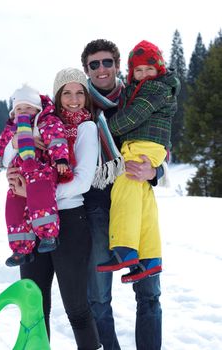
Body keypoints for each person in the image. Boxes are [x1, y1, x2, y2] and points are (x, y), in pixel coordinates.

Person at [6, 68, 103, 349]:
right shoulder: (40, 122)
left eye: (80, 93)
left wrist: (36, 194)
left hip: (70, 219)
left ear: (86, 97)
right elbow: (8, 158)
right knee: (35, 306)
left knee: (77, 307)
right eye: (67, 93)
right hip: (32, 223)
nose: (74, 100)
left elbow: (83, 181)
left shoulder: (86, 128)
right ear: (58, 96)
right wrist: (14, 146)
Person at [81, 39, 165, 350]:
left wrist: (155, 172)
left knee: (149, 293)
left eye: (106, 62)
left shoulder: (139, 97)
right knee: (99, 299)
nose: (101, 69)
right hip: (97, 210)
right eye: (94, 64)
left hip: (137, 205)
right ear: (86, 69)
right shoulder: (79, 105)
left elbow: (157, 148)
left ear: (118, 66)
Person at [97, 40, 180, 285]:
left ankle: (125, 249)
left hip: (141, 148)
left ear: (159, 70)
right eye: (139, 71)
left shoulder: (153, 89)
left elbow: (134, 116)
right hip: (148, 147)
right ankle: (151, 259)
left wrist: (105, 128)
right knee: (145, 204)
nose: (144, 75)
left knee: (125, 186)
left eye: (149, 70)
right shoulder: (137, 90)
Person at [0, 85, 73, 267]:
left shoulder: (46, 122)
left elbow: (56, 140)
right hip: (19, 175)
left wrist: (60, 159)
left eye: (28, 108)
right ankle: (21, 249)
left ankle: (48, 235)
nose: (24, 112)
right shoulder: (12, 130)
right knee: (13, 208)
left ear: (38, 109)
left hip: (41, 171)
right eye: (19, 109)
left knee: (40, 196)